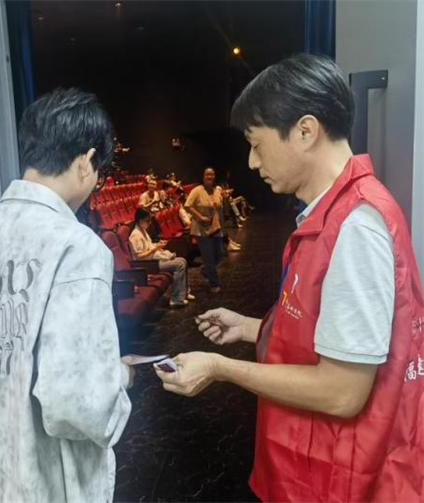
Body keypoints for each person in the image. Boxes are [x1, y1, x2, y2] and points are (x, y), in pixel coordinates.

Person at [156, 54, 424, 503]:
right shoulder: (332, 214)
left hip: (345, 480)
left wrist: (220, 368)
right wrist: (251, 328)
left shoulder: (355, 226)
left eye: (257, 144)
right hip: (319, 466)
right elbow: (328, 332)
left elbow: (342, 392)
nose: (251, 161)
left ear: (305, 131)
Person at [0, 88, 133, 503]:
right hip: (47, 482)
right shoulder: (76, 246)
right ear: (86, 161)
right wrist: (122, 376)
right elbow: (78, 403)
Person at [129, 208, 195, 307]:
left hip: (153, 259)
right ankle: (176, 299)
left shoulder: (142, 231)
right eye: (147, 221)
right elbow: (139, 256)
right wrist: (155, 248)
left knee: (183, 260)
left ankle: (185, 292)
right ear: (140, 220)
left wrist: (158, 244)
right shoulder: (135, 235)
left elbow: (148, 246)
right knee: (179, 264)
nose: (150, 223)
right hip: (148, 264)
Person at [185, 168, 224, 292]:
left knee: (220, 254)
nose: (210, 177)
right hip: (201, 229)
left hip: (215, 227)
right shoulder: (197, 190)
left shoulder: (216, 191)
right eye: (207, 174)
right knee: (209, 257)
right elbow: (187, 205)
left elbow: (219, 207)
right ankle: (214, 283)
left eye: (212, 174)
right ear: (203, 177)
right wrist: (200, 216)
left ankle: (205, 269)